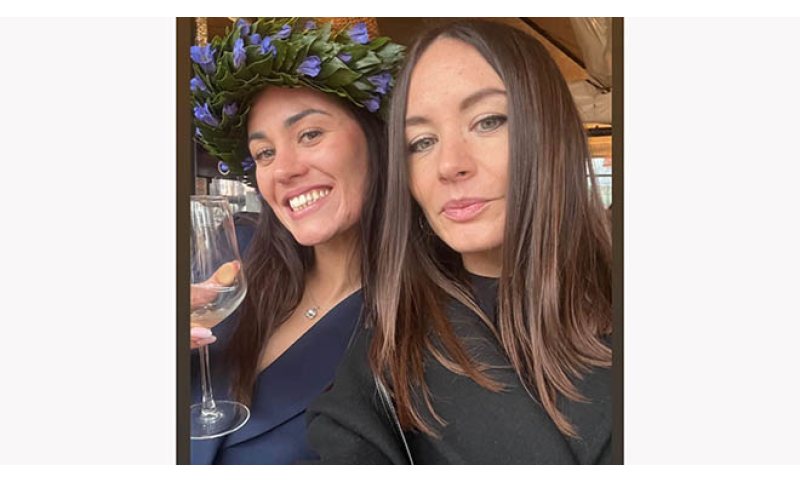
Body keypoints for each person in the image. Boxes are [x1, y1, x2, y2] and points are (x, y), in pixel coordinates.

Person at [306, 20, 613, 464]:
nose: (449, 164)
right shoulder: (395, 334)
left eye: (487, 121)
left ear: (552, 129)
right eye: (421, 142)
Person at [188, 17, 404, 464]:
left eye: (310, 134)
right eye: (264, 153)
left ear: (377, 139)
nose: (283, 170)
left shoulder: (422, 321)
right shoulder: (231, 263)